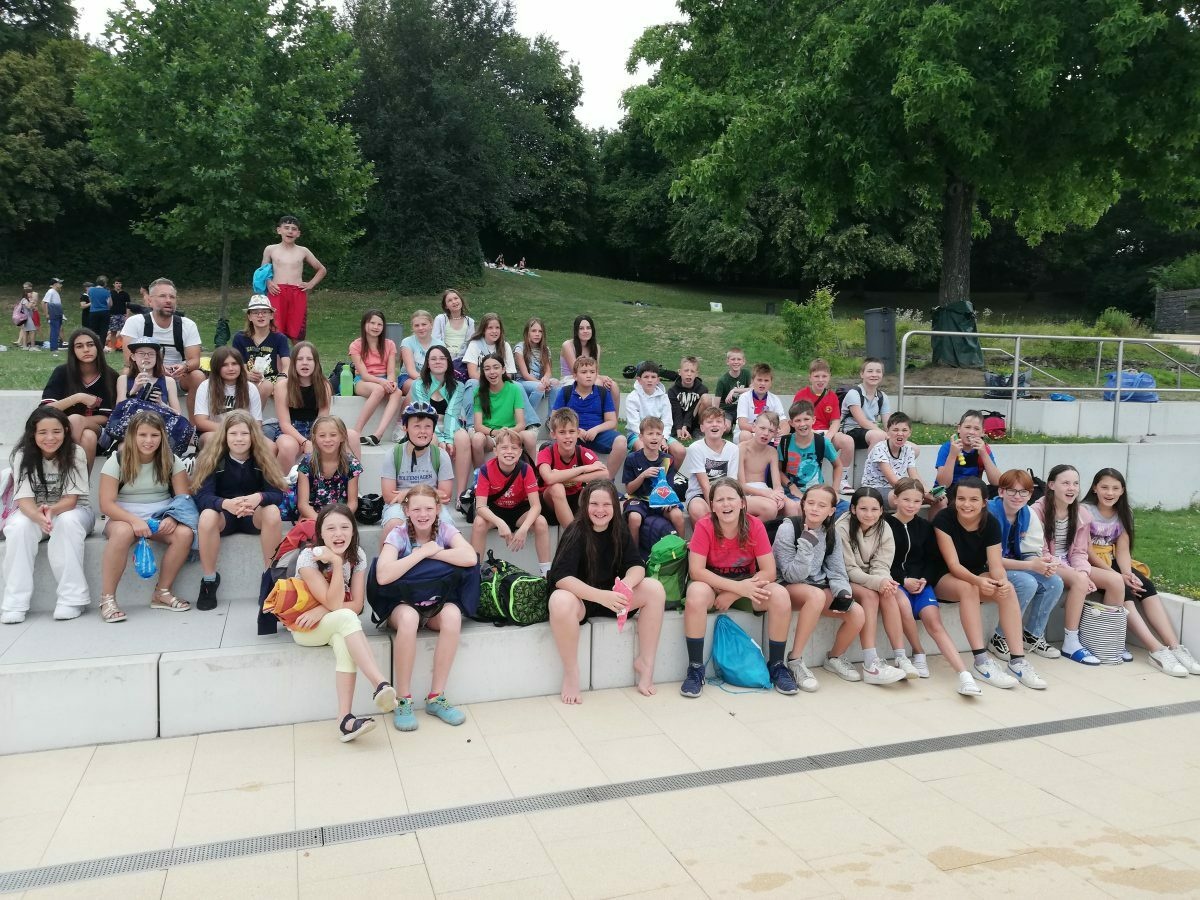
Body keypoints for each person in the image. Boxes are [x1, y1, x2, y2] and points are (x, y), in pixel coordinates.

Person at [370, 486, 477, 730]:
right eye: (416, 509)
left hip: (432, 603)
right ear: (406, 511)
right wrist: (419, 554)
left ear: (438, 509)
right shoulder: (398, 534)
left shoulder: (445, 530)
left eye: (429, 508)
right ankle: (403, 699)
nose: (423, 514)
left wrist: (434, 552)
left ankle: (436, 697)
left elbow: (470, 557)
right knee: (409, 618)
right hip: (402, 605)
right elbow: (383, 575)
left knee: (452, 614)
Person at [549, 480, 666, 703]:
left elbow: (637, 565)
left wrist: (627, 584)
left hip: (614, 597)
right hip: (582, 601)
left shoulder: (619, 529)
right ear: (585, 504)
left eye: (606, 504)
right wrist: (601, 596)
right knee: (559, 600)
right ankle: (571, 673)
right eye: (594, 504)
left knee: (655, 589)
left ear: (615, 506)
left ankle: (646, 663)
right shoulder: (576, 531)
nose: (600, 510)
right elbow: (561, 578)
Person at [289, 503, 398, 742]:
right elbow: (336, 603)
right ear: (320, 532)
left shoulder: (357, 555)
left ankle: (345, 720)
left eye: (344, 527)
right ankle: (379, 683)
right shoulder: (308, 557)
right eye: (331, 528)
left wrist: (322, 610)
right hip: (305, 627)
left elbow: (357, 604)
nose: (338, 534)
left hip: (333, 622)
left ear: (353, 530)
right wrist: (337, 564)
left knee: (344, 642)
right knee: (347, 618)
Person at [680, 477, 797, 697]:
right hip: (712, 584)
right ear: (712, 506)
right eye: (720, 500)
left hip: (746, 583)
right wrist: (733, 589)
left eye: (731, 499)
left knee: (780, 595)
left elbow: (769, 572)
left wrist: (735, 592)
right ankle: (695, 669)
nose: (726, 504)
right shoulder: (705, 526)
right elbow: (696, 571)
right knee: (695, 594)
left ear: (742, 503)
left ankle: (777, 666)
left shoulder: (754, 525)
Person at [1082, 468, 1199, 676]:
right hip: (1088, 562)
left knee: (1145, 586)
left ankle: (1175, 647)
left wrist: (1128, 573)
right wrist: (1117, 576)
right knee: (1124, 590)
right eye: (1104, 487)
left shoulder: (1125, 512)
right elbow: (1087, 550)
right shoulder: (1085, 511)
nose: (1110, 492)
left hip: (1111, 558)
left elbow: (1123, 549)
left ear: (1122, 490)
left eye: (1115, 488)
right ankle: (1156, 650)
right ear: (1094, 488)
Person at [929, 477, 1035, 690]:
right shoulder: (944, 519)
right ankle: (981, 661)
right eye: (961, 499)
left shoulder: (991, 522)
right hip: (943, 576)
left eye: (973, 499)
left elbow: (995, 565)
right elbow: (953, 565)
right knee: (968, 588)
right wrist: (978, 581)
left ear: (984, 502)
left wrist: (1001, 581)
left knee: (1008, 589)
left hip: (976, 574)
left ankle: (1017, 661)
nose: (966, 504)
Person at [886, 478, 982, 695]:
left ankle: (964, 675)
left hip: (921, 584)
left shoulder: (925, 527)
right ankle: (918, 653)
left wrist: (924, 580)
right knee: (903, 607)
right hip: (896, 583)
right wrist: (903, 580)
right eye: (906, 500)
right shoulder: (884, 525)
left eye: (916, 501)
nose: (911, 505)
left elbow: (933, 560)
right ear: (896, 499)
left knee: (934, 622)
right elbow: (881, 561)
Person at [98, 410, 195, 621]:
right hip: (123, 516)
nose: (148, 441)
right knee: (122, 533)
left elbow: (183, 498)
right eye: (142, 435)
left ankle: (162, 592)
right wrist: (134, 520)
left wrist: (173, 518)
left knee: (185, 534)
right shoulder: (116, 460)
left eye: (154, 435)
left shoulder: (171, 460)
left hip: (160, 515)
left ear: (162, 436)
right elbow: (106, 504)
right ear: (132, 435)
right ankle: (107, 599)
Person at [1, 408, 94, 624]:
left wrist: (50, 512)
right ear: (32, 433)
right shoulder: (21, 455)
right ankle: (14, 603)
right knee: (18, 528)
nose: (50, 438)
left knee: (67, 523)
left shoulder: (76, 452)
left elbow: (71, 500)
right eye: (43, 432)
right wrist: (38, 516)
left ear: (66, 431)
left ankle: (72, 599)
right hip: (34, 512)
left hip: (74, 511)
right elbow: (24, 500)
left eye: (56, 431)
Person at [773, 484, 865, 692]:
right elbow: (791, 575)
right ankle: (795, 660)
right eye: (811, 503)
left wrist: (842, 591)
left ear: (831, 511)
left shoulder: (831, 533)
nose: (815, 508)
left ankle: (834, 657)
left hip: (816, 586)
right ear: (803, 504)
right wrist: (806, 544)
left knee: (857, 613)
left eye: (822, 505)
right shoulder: (788, 528)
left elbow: (837, 571)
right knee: (815, 596)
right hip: (787, 586)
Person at [191, 411, 286, 610]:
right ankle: (209, 580)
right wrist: (225, 504)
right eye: (233, 433)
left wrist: (258, 497)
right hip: (225, 516)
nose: (239, 439)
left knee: (272, 511)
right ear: (224, 436)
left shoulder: (262, 457)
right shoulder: (212, 458)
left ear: (253, 436)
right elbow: (202, 497)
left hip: (253, 516)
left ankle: (270, 577)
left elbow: (277, 494)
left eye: (244, 433)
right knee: (207, 516)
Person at [983, 469, 1064, 675]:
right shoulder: (988, 513)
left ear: (1030, 495)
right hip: (987, 567)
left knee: (1054, 582)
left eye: (1024, 492)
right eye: (1012, 491)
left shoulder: (1028, 514)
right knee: (1026, 582)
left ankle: (1031, 634)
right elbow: (990, 559)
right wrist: (1031, 566)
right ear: (1001, 492)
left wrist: (1041, 563)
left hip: (1015, 565)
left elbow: (1029, 552)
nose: (1017, 496)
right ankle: (1000, 637)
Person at [836, 487, 913, 683]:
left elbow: (881, 564)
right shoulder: (842, 528)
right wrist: (878, 582)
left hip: (870, 577)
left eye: (874, 509)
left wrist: (883, 581)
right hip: (843, 578)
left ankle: (900, 657)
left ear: (881, 510)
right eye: (863, 509)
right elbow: (849, 569)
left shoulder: (883, 527)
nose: (869, 514)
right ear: (853, 509)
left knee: (888, 592)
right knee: (871, 596)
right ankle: (870, 663)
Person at [119, 278, 204, 417]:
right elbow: (129, 360)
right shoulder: (135, 322)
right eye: (163, 296)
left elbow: (195, 360)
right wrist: (158, 369)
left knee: (197, 376)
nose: (168, 300)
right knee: (125, 373)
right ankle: (127, 420)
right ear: (149, 301)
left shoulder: (187, 325)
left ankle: (194, 425)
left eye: (172, 297)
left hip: (177, 377)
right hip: (145, 374)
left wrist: (184, 367)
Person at [472, 428, 550, 574]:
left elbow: (536, 506)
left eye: (514, 448)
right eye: (504, 447)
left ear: (520, 452)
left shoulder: (526, 469)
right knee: (479, 522)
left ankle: (546, 571)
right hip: (496, 511)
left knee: (541, 522)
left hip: (519, 511)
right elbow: (480, 507)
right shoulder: (486, 469)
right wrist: (500, 523)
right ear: (495, 451)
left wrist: (524, 529)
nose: (509, 452)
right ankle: (475, 571)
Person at [40, 327, 118, 468]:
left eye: (90, 345)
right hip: (62, 431)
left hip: (101, 435)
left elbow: (107, 417)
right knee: (88, 436)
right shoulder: (62, 372)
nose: (86, 350)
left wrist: (77, 421)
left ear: (98, 347)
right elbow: (45, 410)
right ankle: (81, 481)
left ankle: (64, 467)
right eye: (79, 346)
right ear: (73, 351)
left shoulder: (110, 376)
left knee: (78, 421)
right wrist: (77, 398)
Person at [380, 402, 454, 540]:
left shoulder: (441, 455)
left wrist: (407, 493)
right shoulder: (393, 454)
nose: (423, 431)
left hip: (430, 503)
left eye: (428, 426)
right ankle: (386, 555)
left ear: (433, 430)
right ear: (405, 428)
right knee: (393, 525)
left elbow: (445, 495)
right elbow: (389, 496)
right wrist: (429, 493)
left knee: (445, 524)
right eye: (417, 426)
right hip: (400, 505)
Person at [411, 345, 473, 498]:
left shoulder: (458, 386)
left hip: (450, 424)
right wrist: (440, 439)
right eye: (433, 359)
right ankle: (431, 494)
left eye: (442, 358)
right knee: (431, 439)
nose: (438, 362)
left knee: (463, 438)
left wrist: (448, 439)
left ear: (448, 362)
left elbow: (452, 413)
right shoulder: (418, 385)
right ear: (427, 363)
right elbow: (427, 414)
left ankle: (461, 495)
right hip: (426, 424)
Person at [551, 356, 626, 479]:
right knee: (561, 441)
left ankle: (608, 480)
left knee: (621, 441)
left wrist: (595, 430)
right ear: (575, 376)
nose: (588, 375)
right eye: (584, 372)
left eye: (592, 372)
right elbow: (554, 418)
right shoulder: (566, 392)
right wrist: (576, 431)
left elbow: (612, 421)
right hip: (574, 435)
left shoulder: (602, 392)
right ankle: (568, 480)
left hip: (598, 435)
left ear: (596, 375)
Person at [272, 342, 340, 472]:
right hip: (290, 431)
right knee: (288, 446)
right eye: (300, 359)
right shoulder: (282, 386)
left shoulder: (324, 385)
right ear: (293, 363)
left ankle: (348, 481)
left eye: (309, 359)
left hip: (315, 429)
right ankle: (280, 483)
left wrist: (314, 439)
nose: (305, 363)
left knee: (351, 436)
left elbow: (322, 419)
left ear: (316, 363)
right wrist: (304, 442)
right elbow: (284, 423)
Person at [537, 408, 608, 528]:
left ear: (578, 433)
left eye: (571, 431)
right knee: (557, 487)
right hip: (549, 505)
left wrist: (567, 478)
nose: (568, 436)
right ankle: (573, 534)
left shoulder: (583, 452)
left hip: (574, 499)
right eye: (562, 432)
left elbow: (605, 474)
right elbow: (549, 478)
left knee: (596, 488)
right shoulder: (546, 453)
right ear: (553, 434)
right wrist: (584, 468)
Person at [622, 416, 686, 548]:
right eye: (650, 434)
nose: (654, 437)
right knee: (634, 518)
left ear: (662, 437)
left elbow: (669, 487)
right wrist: (642, 476)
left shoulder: (668, 459)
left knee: (677, 515)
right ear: (641, 437)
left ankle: (681, 549)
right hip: (639, 499)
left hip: (660, 501)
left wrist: (669, 501)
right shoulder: (632, 459)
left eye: (658, 434)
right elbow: (629, 489)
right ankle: (634, 553)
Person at [793, 358, 854, 494]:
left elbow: (836, 421)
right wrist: (811, 433)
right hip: (807, 431)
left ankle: (842, 480)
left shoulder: (832, 396)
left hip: (826, 433)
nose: (820, 380)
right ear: (810, 377)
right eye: (816, 376)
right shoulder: (801, 394)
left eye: (824, 376)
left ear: (829, 377)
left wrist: (828, 436)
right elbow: (796, 418)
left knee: (848, 441)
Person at [262, 214, 326, 341]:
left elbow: (322, 269)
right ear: (279, 230)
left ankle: (298, 354)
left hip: (297, 293)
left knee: (297, 334)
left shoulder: (303, 251)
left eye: (294, 229)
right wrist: (268, 282)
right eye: (286, 228)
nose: (290, 231)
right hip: (276, 292)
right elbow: (263, 271)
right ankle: (276, 355)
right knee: (274, 332)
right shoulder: (270, 249)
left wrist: (311, 284)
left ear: (298, 233)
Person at [861, 412, 942, 512]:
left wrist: (928, 491)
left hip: (897, 489)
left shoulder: (908, 449)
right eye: (895, 430)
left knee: (938, 499)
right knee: (904, 499)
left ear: (910, 432)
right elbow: (894, 481)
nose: (900, 433)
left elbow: (914, 476)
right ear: (887, 431)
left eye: (904, 430)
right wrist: (922, 494)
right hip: (875, 489)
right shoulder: (880, 448)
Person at [778, 401, 845, 517]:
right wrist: (791, 486)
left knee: (846, 509)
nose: (802, 424)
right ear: (791, 423)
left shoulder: (822, 442)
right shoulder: (785, 442)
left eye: (806, 419)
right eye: (798, 420)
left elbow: (838, 465)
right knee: (801, 509)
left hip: (818, 491)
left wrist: (835, 490)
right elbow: (778, 470)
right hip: (792, 493)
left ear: (813, 420)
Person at [349, 309, 403, 446]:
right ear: (364, 324)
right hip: (363, 381)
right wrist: (382, 382)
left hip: (384, 379)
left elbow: (391, 371)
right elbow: (364, 374)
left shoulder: (389, 344)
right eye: (372, 323)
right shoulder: (356, 345)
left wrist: (391, 382)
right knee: (378, 390)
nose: (375, 327)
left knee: (397, 393)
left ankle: (378, 434)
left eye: (379, 324)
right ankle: (356, 431)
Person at [472, 353, 537, 464]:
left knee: (529, 436)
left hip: (511, 432)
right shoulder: (479, 392)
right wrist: (496, 432)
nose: (492, 372)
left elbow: (521, 424)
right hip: (491, 435)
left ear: (503, 370)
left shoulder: (514, 389)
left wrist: (507, 432)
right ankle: (479, 473)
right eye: (487, 369)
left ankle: (531, 471)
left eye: (496, 367)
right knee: (477, 439)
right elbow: (478, 426)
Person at [193, 346, 263, 447]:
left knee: (271, 447)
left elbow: (257, 423)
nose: (231, 369)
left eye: (234, 364)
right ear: (216, 367)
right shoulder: (206, 386)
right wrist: (231, 431)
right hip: (214, 431)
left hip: (243, 433)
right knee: (212, 439)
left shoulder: (250, 388)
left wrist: (240, 433)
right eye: (224, 365)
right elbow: (201, 422)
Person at [681, 404, 740, 523]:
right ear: (702, 428)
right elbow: (704, 485)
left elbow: (732, 482)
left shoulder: (733, 449)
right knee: (699, 510)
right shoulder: (695, 448)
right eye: (709, 422)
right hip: (699, 494)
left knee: (765, 508)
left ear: (725, 427)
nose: (714, 424)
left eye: (719, 421)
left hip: (724, 493)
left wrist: (727, 503)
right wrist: (715, 509)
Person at [297, 416, 363, 522]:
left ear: (342, 437)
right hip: (313, 515)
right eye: (322, 435)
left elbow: (352, 503)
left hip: (341, 514)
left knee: (342, 528)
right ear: (314, 438)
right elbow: (303, 505)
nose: (327, 440)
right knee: (309, 528)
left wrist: (338, 519)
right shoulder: (306, 464)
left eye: (333, 435)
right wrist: (322, 521)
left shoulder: (352, 464)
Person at [232, 294, 291, 409]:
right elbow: (238, 363)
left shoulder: (279, 338)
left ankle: (252, 418)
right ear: (249, 316)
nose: (260, 315)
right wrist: (247, 374)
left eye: (264, 312)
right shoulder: (240, 338)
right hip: (246, 377)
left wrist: (282, 377)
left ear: (271, 315)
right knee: (248, 386)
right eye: (255, 312)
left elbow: (287, 364)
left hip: (271, 378)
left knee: (266, 386)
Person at [625, 361, 686, 468]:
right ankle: (646, 475)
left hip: (659, 433)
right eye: (646, 377)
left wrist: (663, 438)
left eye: (653, 377)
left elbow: (667, 422)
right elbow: (634, 425)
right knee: (646, 448)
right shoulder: (632, 398)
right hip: (637, 434)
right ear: (639, 380)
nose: (650, 380)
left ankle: (666, 475)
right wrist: (652, 439)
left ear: (658, 380)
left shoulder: (664, 397)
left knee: (680, 451)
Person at [460, 313, 521, 421]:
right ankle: (471, 424)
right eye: (490, 328)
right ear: (484, 330)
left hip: (501, 382)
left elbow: (509, 374)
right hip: (480, 381)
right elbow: (472, 373)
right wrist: (489, 381)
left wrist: (497, 383)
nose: (494, 331)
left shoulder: (505, 346)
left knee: (517, 386)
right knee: (471, 383)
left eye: (497, 328)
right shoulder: (475, 344)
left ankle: (531, 423)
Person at [739, 411, 788, 519]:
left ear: (775, 433)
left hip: (764, 490)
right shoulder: (741, 449)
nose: (766, 433)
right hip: (744, 492)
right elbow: (741, 485)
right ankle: (748, 529)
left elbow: (777, 484)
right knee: (771, 509)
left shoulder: (772, 452)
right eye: (762, 428)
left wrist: (779, 495)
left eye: (771, 431)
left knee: (791, 506)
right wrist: (766, 493)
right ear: (754, 427)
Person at [934, 410, 1001, 490]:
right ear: (959, 429)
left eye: (976, 429)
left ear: (982, 432)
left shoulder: (983, 448)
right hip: (950, 489)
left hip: (972, 489)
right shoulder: (948, 447)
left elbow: (997, 482)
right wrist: (952, 454)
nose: (971, 432)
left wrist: (984, 454)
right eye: (967, 427)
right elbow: (943, 484)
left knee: (999, 490)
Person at [117, 339, 184, 414]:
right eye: (141, 353)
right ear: (133, 357)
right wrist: (132, 391)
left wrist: (162, 404)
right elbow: (118, 412)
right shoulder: (123, 379)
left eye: (151, 354)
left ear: (156, 357)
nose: (146, 357)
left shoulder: (169, 381)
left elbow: (178, 414)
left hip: (159, 420)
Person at [838, 358, 890, 453]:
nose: (874, 374)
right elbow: (862, 422)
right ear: (862, 374)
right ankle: (872, 463)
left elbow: (888, 424)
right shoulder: (854, 393)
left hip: (871, 432)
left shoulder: (883, 397)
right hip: (851, 431)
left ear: (882, 375)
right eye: (870, 371)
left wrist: (893, 436)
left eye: (878, 371)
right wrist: (884, 434)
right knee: (878, 436)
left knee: (913, 449)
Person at [734, 363, 788, 444]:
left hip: (768, 434)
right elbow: (743, 425)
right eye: (759, 380)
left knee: (782, 437)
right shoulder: (744, 397)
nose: (762, 383)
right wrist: (763, 431)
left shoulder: (775, 399)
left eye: (766, 380)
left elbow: (784, 423)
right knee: (745, 435)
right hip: (749, 432)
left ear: (771, 382)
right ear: (752, 381)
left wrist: (782, 432)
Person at [514, 316, 557, 416]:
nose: (537, 334)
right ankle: (528, 418)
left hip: (539, 381)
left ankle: (552, 418)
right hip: (523, 381)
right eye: (533, 331)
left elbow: (548, 371)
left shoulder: (545, 350)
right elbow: (525, 374)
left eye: (540, 331)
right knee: (540, 387)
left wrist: (546, 378)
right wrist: (542, 384)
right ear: (527, 332)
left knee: (555, 383)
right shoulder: (520, 348)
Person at [667, 356, 711, 442]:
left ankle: (699, 429)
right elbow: (676, 411)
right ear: (680, 372)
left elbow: (692, 409)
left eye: (692, 371)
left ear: (696, 374)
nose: (689, 374)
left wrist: (686, 426)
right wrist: (679, 428)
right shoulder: (672, 390)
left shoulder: (702, 389)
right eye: (686, 370)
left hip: (693, 419)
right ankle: (678, 431)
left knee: (706, 398)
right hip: (678, 420)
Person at [431, 289, 475, 366]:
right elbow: (435, 341)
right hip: (443, 358)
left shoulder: (469, 321)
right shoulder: (440, 319)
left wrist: (460, 359)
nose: (454, 302)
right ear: (446, 306)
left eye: (456, 298)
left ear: (461, 300)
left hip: (462, 359)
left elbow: (470, 343)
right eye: (450, 300)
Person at [398, 309, 434, 397]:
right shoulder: (407, 342)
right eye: (417, 325)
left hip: (432, 379)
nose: (420, 328)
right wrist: (427, 382)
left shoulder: (439, 344)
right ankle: (406, 407)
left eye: (424, 324)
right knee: (419, 387)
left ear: (431, 325)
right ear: (413, 327)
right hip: (408, 378)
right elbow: (411, 371)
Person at [714, 347, 750, 434]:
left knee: (750, 426)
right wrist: (717, 419)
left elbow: (753, 389)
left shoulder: (746, 374)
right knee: (725, 429)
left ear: (743, 361)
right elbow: (716, 404)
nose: (736, 362)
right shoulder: (722, 380)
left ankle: (737, 425)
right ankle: (729, 426)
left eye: (739, 359)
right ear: (728, 361)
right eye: (733, 359)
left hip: (742, 409)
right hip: (727, 410)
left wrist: (734, 390)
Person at [106, 278, 131, 351]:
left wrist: (127, 316)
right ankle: (113, 348)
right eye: (117, 283)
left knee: (124, 333)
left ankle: (124, 348)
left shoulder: (125, 294)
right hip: (113, 315)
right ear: (114, 284)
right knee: (113, 332)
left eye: (120, 283)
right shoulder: (110, 293)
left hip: (122, 315)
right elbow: (107, 304)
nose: (118, 285)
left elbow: (128, 306)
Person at [87, 276, 112, 344]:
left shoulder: (91, 290)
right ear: (105, 283)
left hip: (93, 312)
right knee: (103, 330)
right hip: (104, 311)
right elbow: (110, 304)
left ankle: (93, 344)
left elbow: (90, 300)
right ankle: (102, 345)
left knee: (93, 330)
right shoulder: (106, 292)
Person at [44, 276, 64, 352]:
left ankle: (55, 346)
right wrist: (47, 314)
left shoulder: (55, 292)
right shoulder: (50, 291)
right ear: (55, 284)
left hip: (58, 314)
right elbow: (45, 303)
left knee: (57, 330)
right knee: (54, 331)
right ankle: (53, 348)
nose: (61, 285)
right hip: (54, 314)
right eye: (60, 283)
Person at [16, 285, 38, 350]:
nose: (31, 294)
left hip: (28, 317)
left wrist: (34, 307)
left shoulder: (27, 300)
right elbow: (28, 307)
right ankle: (33, 346)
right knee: (33, 330)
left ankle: (24, 346)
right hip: (27, 318)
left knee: (26, 332)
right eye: (30, 293)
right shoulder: (24, 299)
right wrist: (32, 301)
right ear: (26, 293)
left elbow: (31, 308)